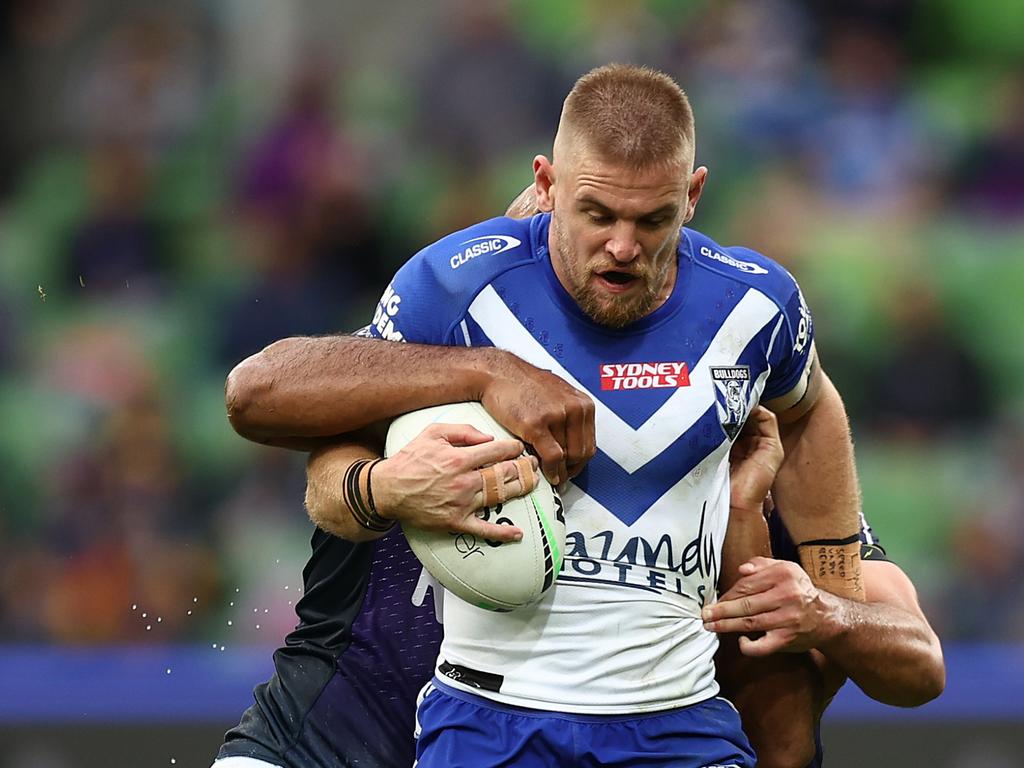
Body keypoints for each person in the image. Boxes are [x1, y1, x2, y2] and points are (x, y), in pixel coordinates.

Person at [216, 64, 942, 767]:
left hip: (674, 724)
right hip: (366, 714)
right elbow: (285, 424)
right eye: (596, 213)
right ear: (547, 186)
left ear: (692, 197)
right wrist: (464, 397)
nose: (623, 246)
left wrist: (828, 602)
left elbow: (859, 684)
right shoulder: (457, 296)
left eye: (650, 218)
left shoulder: (756, 341)